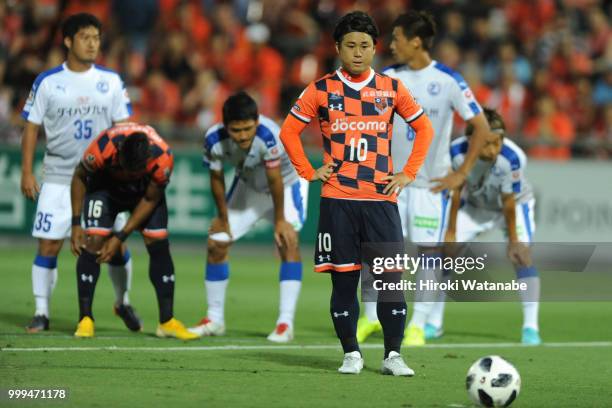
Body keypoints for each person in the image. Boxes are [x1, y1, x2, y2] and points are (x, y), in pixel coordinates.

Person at [279, 11, 433, 375]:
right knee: (344, 279)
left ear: (375, 49)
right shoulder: (320, 89)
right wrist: (308, 171)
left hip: (380, 200)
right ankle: (351, 353)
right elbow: (289, 132)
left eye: (365, 45)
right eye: (351, 45)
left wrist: (408, 173)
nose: (358, 52)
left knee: (390, 281)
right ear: (338, 48)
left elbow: (424, 129)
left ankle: (393, 355)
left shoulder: (392, 89)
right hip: (338, 200)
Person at [357, 11, 490, 346]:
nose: (392, 45)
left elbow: (482, 127)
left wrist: (461, 173)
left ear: (416, 41)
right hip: (390, 182)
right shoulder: (386, 77)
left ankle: (417, 325)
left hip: (429, 187)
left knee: (428, 254)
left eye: (397, 38)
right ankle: (369, 318)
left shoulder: (448, 80)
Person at [20, 13, 140, 333]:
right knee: (48, 244)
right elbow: (31, 128)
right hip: (58, 176)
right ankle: (41, 312)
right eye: (85, 37)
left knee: (114, 246)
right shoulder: (48, 82)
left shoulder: (111, 81)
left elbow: (124, 129)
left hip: (101, 180)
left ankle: (122, 301)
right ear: (68, 41)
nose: (92, 44)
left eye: (97, 38)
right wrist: (27, 172)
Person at [189, 92, 308, 343]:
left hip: (287, 185)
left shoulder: (269, 135)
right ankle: (214, 318)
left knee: (288, 242)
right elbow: (216, 178)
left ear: (257, 121)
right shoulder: (214, 139)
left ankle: (285, 323)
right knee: (216, 243)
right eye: (236, 130)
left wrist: (279, 220)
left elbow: (275, 179)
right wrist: (222, 216)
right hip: (249, 187)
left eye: (247, 128)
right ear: (225, 126)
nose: (242, 135)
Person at [69, 122, 197, 340]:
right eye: (127, 170)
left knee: (158, 244)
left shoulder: (162, 157)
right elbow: (80, 176)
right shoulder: (103, 147)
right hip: (105, 189)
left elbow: (150, 198)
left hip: (143, 194)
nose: (130, 175)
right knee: (94, 242)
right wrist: (75, 223)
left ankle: (167, 321)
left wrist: (120, 237)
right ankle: (85, 318)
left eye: (136, 171)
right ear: (119, 154)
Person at [437, 108, 541, 345]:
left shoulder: (513, 158)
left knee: (522, 257)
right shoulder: (455, 152)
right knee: (445, 253)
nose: (493, 150)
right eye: (486, 144)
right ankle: (434, 322)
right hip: (475, 206)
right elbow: (455, 192)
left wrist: (514, 240)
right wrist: (450, 233)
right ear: (471, 140)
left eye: (498, 143)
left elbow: (508, 201)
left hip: (513, 206)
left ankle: (531, 328)